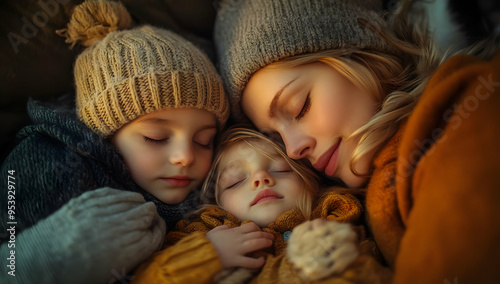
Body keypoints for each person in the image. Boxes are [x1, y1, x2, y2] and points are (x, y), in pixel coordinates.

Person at [213, 0, 500, 283]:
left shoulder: (463, 118)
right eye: (275, 137)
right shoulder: (345, 198)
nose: (292, 149)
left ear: (359, 57)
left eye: (300, 107)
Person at [0, 0, 229, 283]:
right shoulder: (50, 163)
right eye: (155, 138)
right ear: (105, 135)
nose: (186, 156)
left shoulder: (211, 187)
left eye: (204, 140)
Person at [132, 127, 392, 284]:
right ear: (216, 203)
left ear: (313, 181)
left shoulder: (343, 218)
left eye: (281, 169)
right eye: (235, 182)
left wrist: (338, 263)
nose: (260, 178)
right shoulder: (201, 234)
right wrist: (207, 254)